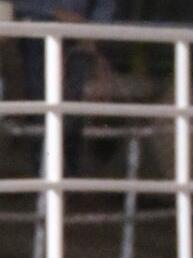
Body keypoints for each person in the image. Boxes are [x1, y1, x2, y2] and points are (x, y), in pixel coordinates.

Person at [14, 0, 116, 175]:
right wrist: (55, 12)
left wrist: (92, 30)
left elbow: (104, 6)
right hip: (36, 33)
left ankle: (67, 177)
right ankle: (44, 176)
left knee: (72, 107)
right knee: (42, 103)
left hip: (79, 38)